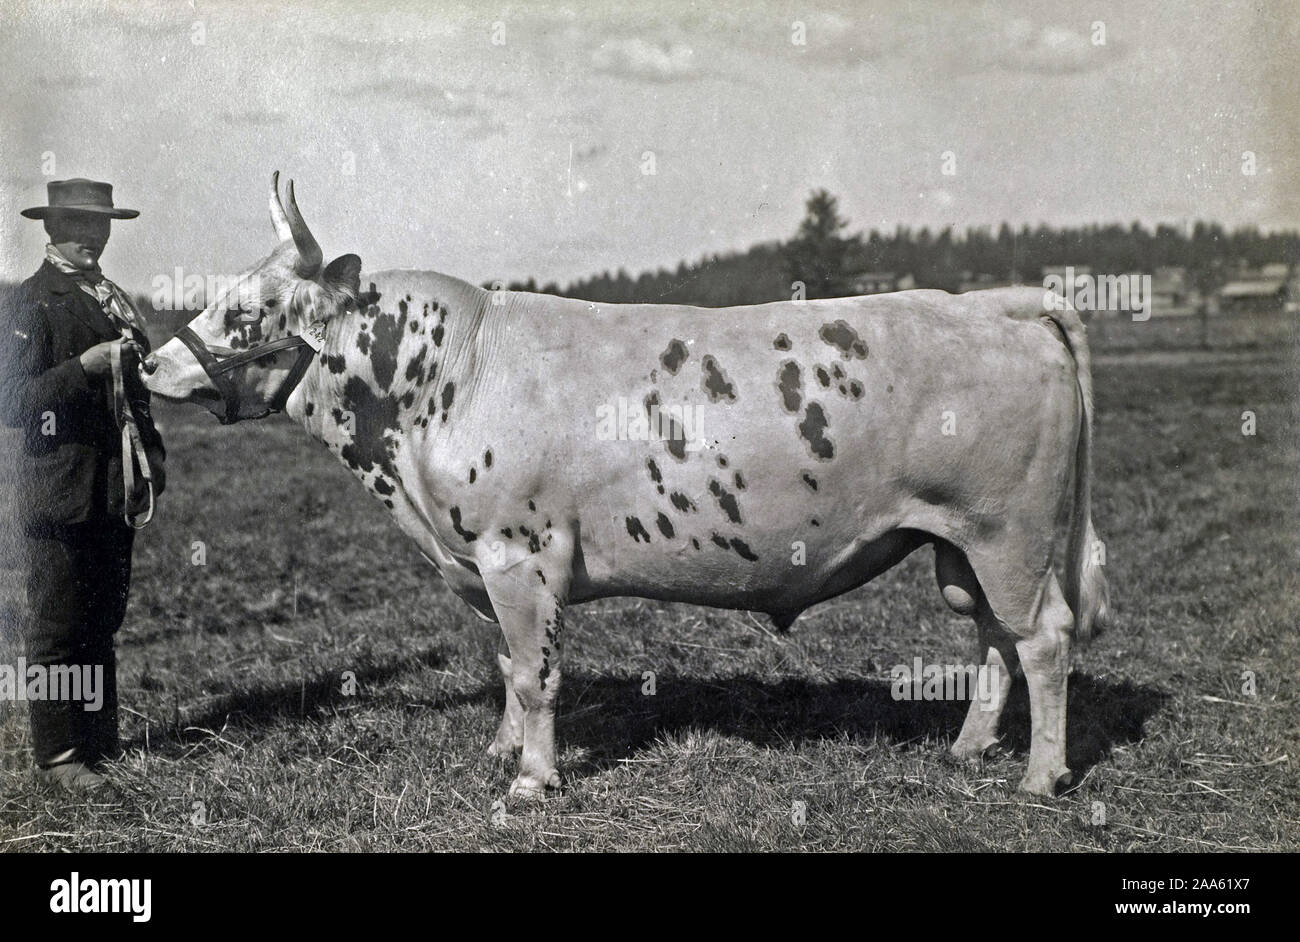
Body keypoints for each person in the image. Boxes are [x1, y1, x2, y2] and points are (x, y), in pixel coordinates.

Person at [0, 178, 165, 792]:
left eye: (99, 225)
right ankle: (60, 757)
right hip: (59, 488)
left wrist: (152, 462)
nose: (90, 236)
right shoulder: (31, 301)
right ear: (50, 229)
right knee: (57, 623)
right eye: (76, 225)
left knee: (103, 617)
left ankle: (100, 743)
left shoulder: (113, 299)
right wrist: (82, 369)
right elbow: (11, 400)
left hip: (113, 488)